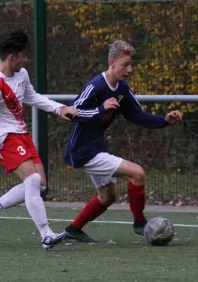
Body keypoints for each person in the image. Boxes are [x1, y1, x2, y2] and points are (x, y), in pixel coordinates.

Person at [63, 40, 183, 243]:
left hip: (96, 148)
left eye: (130, 65)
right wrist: (101, 109)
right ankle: (139, 223)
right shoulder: (96, 86)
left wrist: (164, 121)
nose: (129, 69)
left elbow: (136, 114)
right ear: (112, 62)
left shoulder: (122, 89)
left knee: (107, 197)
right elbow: (72, 112)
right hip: (84, 150)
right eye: (125, 64)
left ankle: (73, 230)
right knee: (137, 174)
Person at [0, 29, 79, 250]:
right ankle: (46, 235)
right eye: (23, 55)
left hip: (21, 134)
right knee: (32, 180)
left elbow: (31, 97)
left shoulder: (20, 75)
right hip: (4, 138)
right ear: (12, 57)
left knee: (40, 186)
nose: (26, 59)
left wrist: (59, 109)